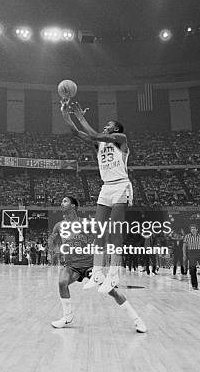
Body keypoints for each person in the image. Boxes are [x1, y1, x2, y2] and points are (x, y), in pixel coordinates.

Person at [60, 98, 132, 293]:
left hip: (121, 187)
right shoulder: (98, 144)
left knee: (115, 233)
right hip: (106, 188)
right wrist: (66, 114)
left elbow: (93, 133)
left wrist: (81, 116)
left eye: (108, 125)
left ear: (116, 129)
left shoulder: (121, 140)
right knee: (99, 232)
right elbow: (76, 132)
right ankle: (98, 272)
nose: (105, 126)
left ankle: (114, 274)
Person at [49, 196, 147, 332]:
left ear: (73, 206)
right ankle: (67, 317)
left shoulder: (86, 223)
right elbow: (52, 241)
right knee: (61, 283)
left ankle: (137, 320)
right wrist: (55, 251)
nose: (61, 203)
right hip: (71, 266)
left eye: (65, 201)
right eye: (62, 201)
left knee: (112, 291)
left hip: (90, 265)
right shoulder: (59, 226)